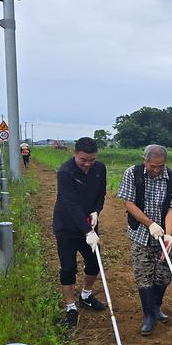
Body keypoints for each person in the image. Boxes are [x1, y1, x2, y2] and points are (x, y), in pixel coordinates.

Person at [118, 145, 172, 336]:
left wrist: (168, 234)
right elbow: (129, 203)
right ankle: (148, 314)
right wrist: (150, 224)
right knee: (144, 274)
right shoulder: (133, 174)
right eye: (153, 166)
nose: (156, 170)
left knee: (164, 274)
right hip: (140, 232)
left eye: (160, 166)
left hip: (164, 233)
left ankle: (156, 306)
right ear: (145, 160)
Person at [52, 137, 108, 328]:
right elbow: (70, 204)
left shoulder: (100, 169)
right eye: (83, 159)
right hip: (66, 227)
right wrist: (87, 231)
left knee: (94, 263)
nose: (87, 164)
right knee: (68, 268)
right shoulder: (65, 172)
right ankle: (70, 307)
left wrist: (95, 212)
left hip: (89, 224)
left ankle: (85, 295)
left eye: (91, 159)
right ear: (75, 154)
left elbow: (101, 194)